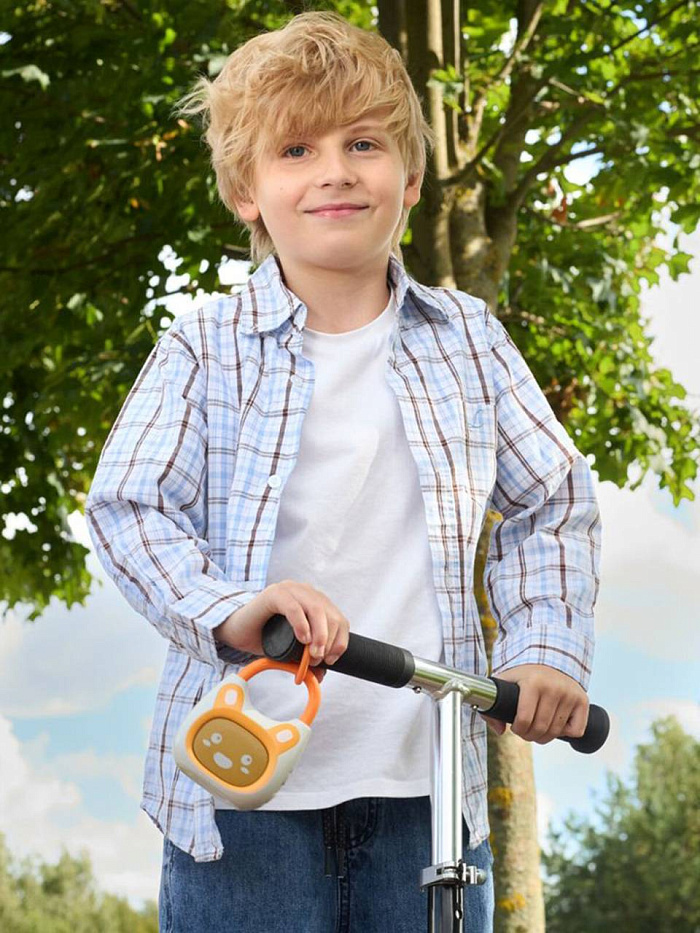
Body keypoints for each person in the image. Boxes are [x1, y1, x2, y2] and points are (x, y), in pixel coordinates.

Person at [85, 10, 601, 933]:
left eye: (363, 143)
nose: (335, 170)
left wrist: (542, 647)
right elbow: (129, 507)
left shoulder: (469, 340)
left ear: (410, 178)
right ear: (246, 191)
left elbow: (551, 501)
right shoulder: (205, 345)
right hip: (243, 790)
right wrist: (232, 608)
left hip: (427, 788)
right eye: (296, 150)